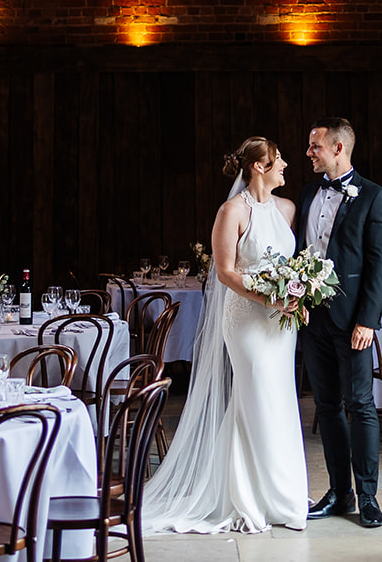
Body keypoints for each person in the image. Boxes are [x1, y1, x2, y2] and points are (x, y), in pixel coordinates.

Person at [142, 136, 308, 534]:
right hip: (247, 319)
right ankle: (247, 498)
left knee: (280, 397)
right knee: (255, 396)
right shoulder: (231, 211)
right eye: (278, 158)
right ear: (258, 167)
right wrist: (269, 299)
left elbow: (289, 263)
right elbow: (226, 272)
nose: (285, 164)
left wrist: (299, 290)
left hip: (281, 324)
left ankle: (278, 493)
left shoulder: (287, 209)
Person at [299, 116, 382, 529]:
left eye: (314, 146)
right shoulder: (306, 194)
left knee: (360, 405)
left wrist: (368, 320)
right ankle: (339, 492)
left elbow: (379, 263)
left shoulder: (374, 196)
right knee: (327, 407)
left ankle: (368, 497)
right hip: (311, 319)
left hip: (354, 319)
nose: (308, 153)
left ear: (338, 148)